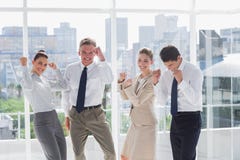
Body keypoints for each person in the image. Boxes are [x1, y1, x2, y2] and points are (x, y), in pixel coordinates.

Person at [62, 37, 116, 160]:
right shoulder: (71, 69)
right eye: (84, 52)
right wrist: (66, 115)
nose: (87, 55)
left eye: (91, 52)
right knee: (78, 154)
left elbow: (109, 79)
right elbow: (66, 93)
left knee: (110, 153)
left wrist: (102, 59)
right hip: (76, 114)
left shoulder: (100, 67)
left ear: (95, 53)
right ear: (79, 53)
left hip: (95, 114)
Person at [156, 45, 203, 160]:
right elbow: (161, 101)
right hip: (175, 120)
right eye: (166, 66)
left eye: (171, 65)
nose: (169, 69)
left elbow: (195, 100)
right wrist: (155, 83)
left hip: (191, 119)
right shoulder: (166, 74)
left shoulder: (194, 71)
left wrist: (181, 81)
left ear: (179, 58)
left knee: (187, 157)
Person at [19, 50, 67, 160]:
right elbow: (28, 85)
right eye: (40, 63)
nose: (42, 67)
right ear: (33, 62)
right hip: (42, 122)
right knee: (55, 158)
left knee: (63, 157)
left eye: (45, 65)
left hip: (55, 119)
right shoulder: (27, 79)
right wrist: (23, 66)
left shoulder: (44, 79)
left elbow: (63, 86)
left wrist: (56, 69)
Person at [118, 47, 160, 160]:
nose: (142, 63)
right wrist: (121, 82)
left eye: (145, 60)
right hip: (136, 123)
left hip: (146, 125)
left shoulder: (153, 80)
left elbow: (137, 102)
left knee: (140, 157)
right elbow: (125, 97)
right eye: (139, 60)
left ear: (151, 62)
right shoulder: (138, 78)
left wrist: (127, 87)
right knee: (125, 155)